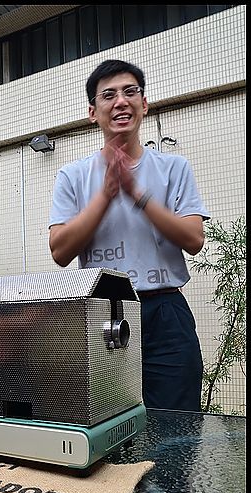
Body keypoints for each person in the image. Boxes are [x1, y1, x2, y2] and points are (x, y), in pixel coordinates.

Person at [49, 59, 210, 412]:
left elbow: (194, 239)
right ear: (93, 112)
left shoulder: (173, 167)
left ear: (144, 103)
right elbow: (60, 251)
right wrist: (106, 195)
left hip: (166, 311)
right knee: (108, 419)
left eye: (130, 92)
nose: (121, 101)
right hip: (104, 309)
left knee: (175, 420)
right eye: (108, 95)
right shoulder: (72, 175)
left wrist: (139, 196)